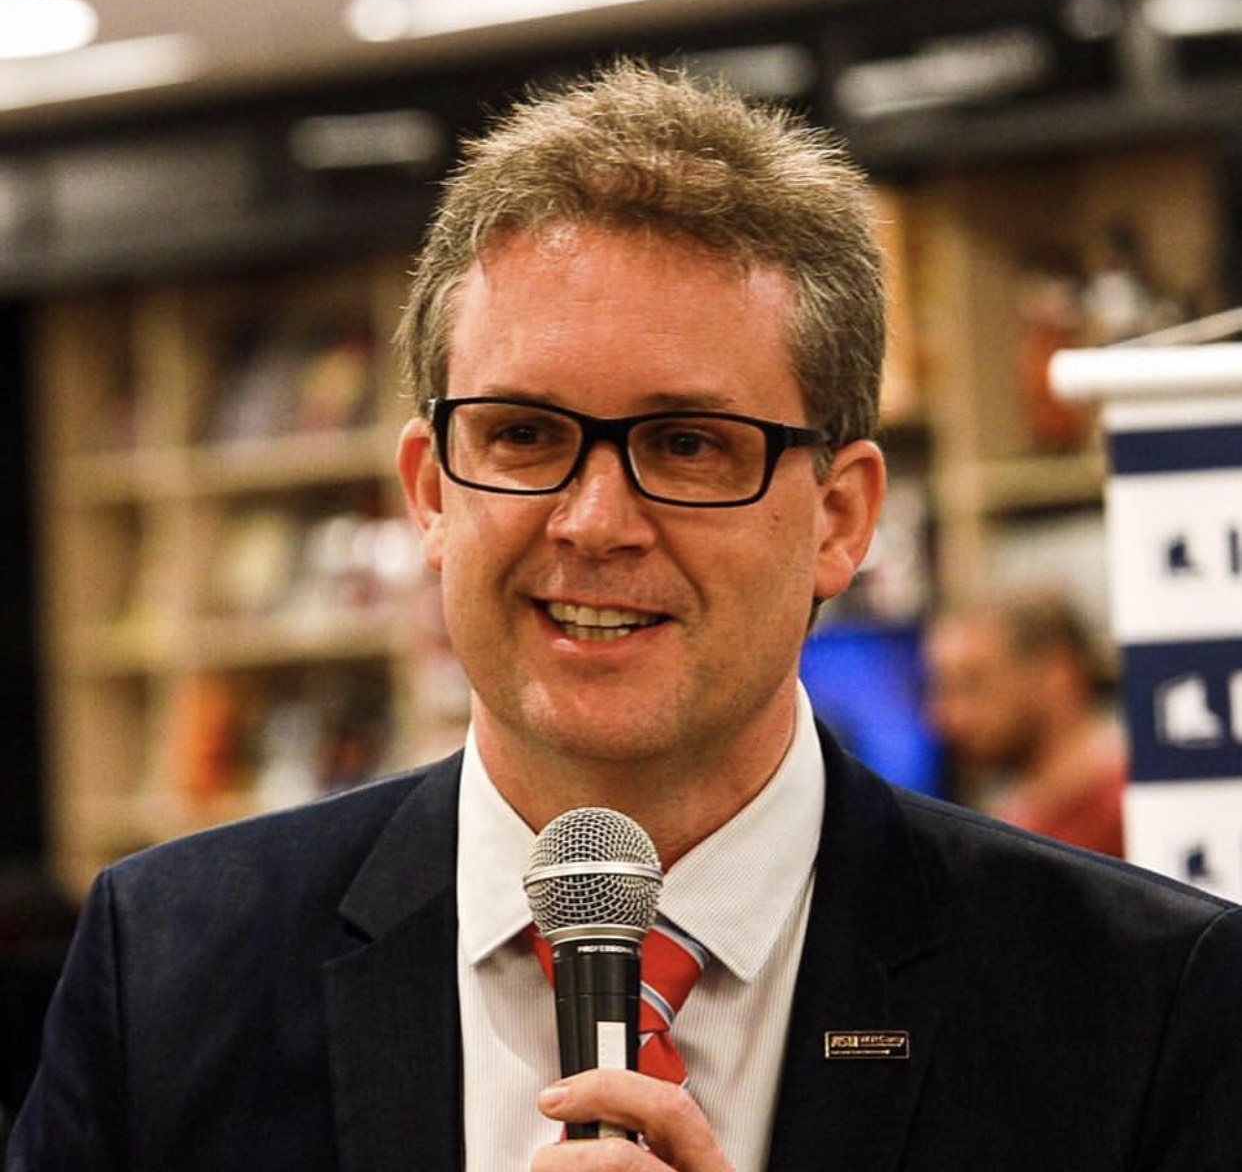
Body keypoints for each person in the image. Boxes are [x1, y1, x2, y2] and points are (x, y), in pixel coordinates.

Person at [9, 60, 1242, 1172]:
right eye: (526, 435)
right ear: (431, 493)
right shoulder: (170, 967)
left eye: (689, 443)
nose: (595, 520)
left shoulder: (1134, 1000)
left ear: (841, 518)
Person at [923, 590, 1128, 857]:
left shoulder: (1127, 812)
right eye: (940, 687)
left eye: (972, 684)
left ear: (1057, 675)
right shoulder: (1013, 822)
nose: (943, 715)